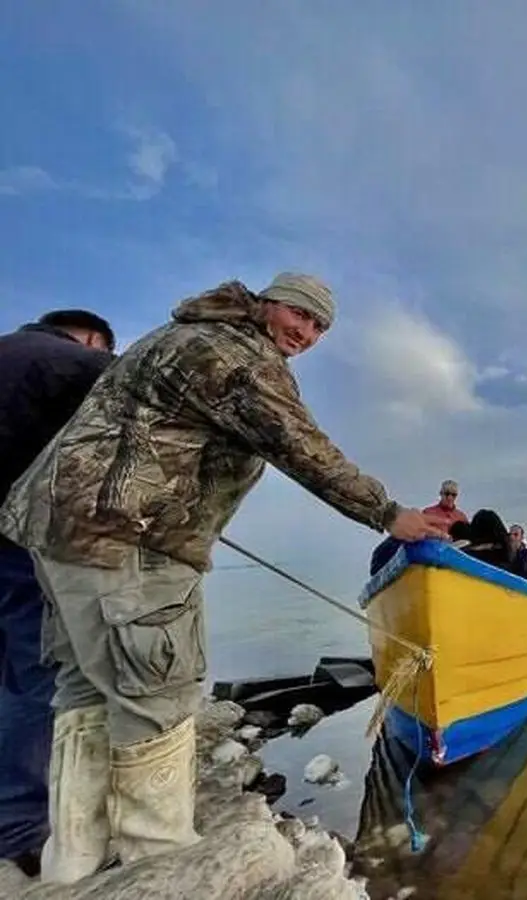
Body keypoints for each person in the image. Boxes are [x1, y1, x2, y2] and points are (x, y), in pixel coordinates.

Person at [0, 273, 448, 884]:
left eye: (319, 327)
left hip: (60, 534)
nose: (307, 333)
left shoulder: (184, 334)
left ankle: (71, 857)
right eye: (300, 315)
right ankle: (157, 858)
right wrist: (390, 514)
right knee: (157, 688)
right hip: (129, 539)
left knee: (83, 687)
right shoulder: (234, 356)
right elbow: (301, 445)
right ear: (266, 303)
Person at [0, 310, 116, 878]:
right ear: (92, 338)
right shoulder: (78, 363)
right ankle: (22, 829)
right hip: (18, 538)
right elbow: (157, 405)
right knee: (36, 669)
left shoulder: (9, 350)